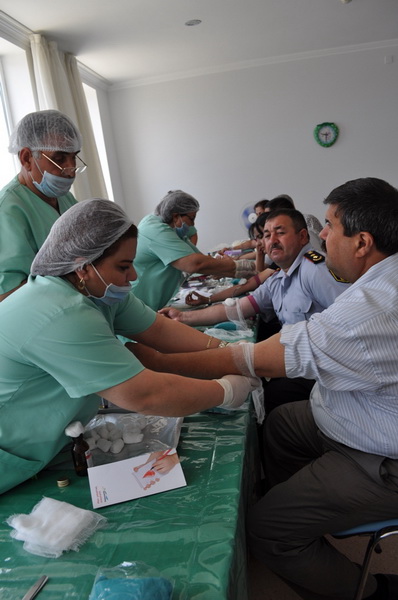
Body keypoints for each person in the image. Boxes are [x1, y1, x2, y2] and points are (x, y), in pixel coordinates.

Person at [135, 177, 398, 598]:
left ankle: (371, 590)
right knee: (280, 425)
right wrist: (185, 323)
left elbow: (259, 357)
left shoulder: (365, 302)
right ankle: (306, 515)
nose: (322, 234)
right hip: (348, 410)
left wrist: (165, 362)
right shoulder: (368, 278)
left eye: (328, 225)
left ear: (362, 241)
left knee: (264, 527)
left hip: (380, 457)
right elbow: (248, 302)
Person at [0, 198, 259, 495]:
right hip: (9, 448)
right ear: (83, 266)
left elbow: (159, 329)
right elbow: (147, 394)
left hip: (44, 440)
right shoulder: (60, 312)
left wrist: (228, 353)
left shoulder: (97, 292)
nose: (133, 276)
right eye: (123, 266)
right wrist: (225, 391)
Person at [160, 208, 349, 412]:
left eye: (280, 232)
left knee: (260, 398)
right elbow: (236, 309)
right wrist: (182, 316)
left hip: (322, 373)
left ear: (303, 236)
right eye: (267, 235)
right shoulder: (279, 278)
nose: (272, 240)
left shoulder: (315, 269)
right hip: (298, 364)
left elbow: (351, 319)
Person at [0, 109, 85, 301]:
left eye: (74, 157)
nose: (71, 172)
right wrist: (70, 280)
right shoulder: (7, 211)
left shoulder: (65, 199)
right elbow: (5, 296)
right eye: (59, 159)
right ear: (26, 158)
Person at [131, 190, 255, 311]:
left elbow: (200, 258)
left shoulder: (173, 230)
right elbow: (195, 264)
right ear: (176, 216)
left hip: (150, 304)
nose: (193, 225)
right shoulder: (155, 229)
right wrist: (240, 267)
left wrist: (224, 267)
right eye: (192, 218)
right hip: (138, 302)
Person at [185, 213, 275, 308]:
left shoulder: (277, 263)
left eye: (264, 235)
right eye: (258, 238)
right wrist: (209, 299)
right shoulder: (273, 264)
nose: (258, 243)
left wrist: (227, 266)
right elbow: (255, 280)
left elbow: (254, 277)